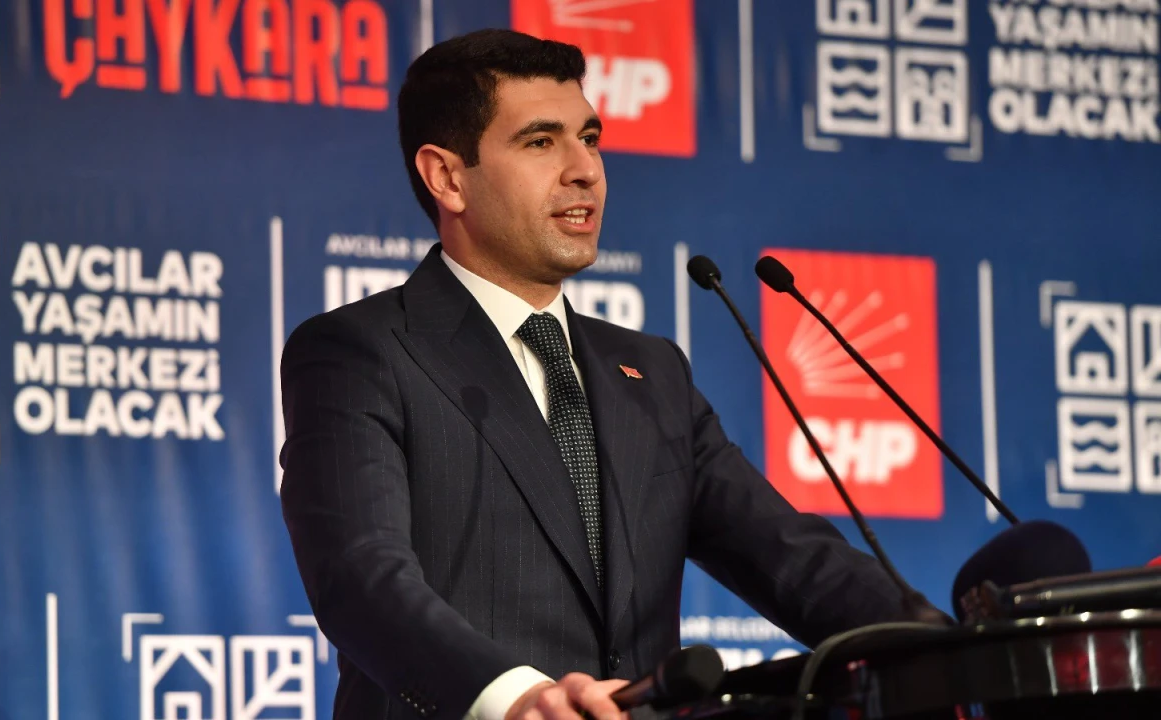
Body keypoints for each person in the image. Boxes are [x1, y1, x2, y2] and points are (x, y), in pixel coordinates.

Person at [279, 28, 933, 720]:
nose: (585, 170)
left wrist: (942, 647)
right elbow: (361, 578)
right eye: (540, 142)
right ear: (447, 177)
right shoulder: (361, 352)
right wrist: (516, 699)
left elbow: (792, 558)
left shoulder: (651, 373)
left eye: (588, 138)